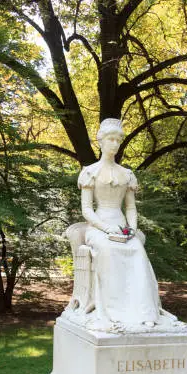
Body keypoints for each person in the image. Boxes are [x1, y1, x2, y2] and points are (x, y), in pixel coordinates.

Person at [77, 118, 161, 329]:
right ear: (101, 142)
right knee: (107, 250)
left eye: (118, 140)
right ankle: (113, 312)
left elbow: (131, 208)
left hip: (123, 228)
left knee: (138, 252)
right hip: (98, 227)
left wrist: (131, 228)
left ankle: (145, 311)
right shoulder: (90, 172)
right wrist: (106, 228)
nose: (114, 144)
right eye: (110, 139)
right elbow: (86, 209)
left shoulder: (127, 174)